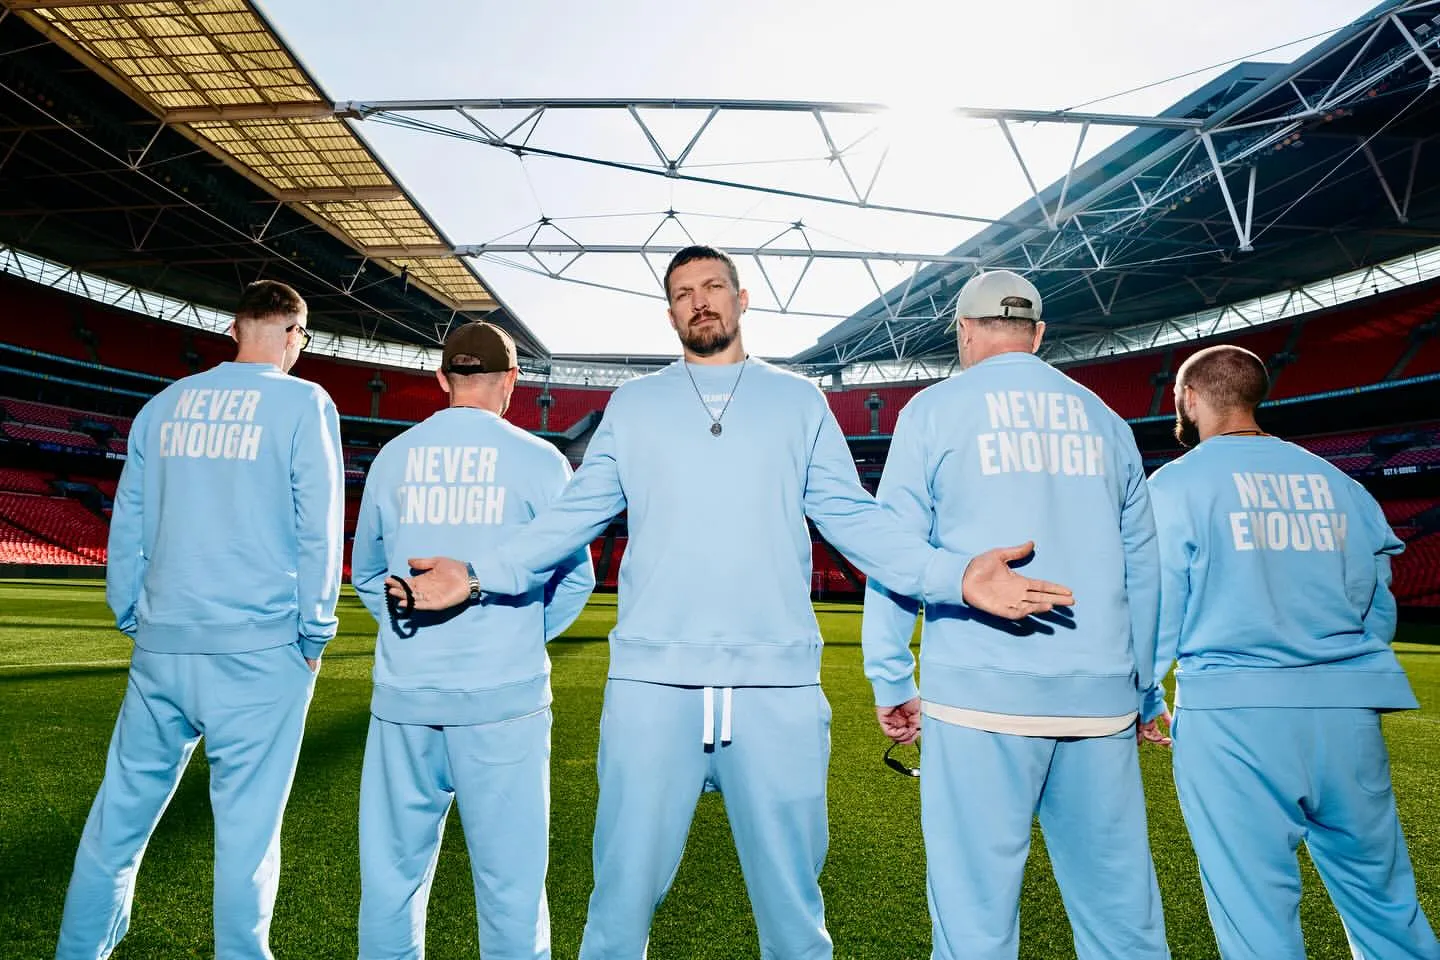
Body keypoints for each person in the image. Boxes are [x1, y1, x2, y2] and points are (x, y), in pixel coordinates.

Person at [388, 246, 1074, 960]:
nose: (700, 299)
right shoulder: (636, 404)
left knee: (795, 915)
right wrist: (474, 573)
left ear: (742, 299)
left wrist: (954, 575)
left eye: (713, 285)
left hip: (775, 690)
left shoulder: (799, 402)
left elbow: (856, 522)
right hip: (653, 689)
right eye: (683, 291)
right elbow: (568, 521)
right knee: (617, 908)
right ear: (670, 312)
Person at [862, 270, 1169, 960]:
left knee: (975, 924)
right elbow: (1144, 569)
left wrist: (890, 677)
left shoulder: (932, 411)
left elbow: (895, 552)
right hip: (1099, 700)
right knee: (1123, 921)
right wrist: (1145, 689)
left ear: (965, 333)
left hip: (978, 697)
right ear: (1038, 335)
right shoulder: (1106, 419)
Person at [56, 280, 343, 960]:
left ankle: (78, 951)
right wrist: (315, 630)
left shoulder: (164, 405)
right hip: (259, 649)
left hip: (163, 644)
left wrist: (132, 612)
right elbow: (319, 528)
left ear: (236, 326)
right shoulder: (304, 401)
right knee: (246, 836)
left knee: (116, 822)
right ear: (292, 332)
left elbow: (128, 522)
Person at [1146, 344, 1436, 960]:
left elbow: (1155, 606)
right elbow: (1377, 605)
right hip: (1346, 712)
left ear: (1190, 399)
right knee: (1384, 901)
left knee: (1254, 908)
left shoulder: (1174, 485)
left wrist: (1143, 693)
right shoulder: (1342, 484)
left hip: (1234, 714)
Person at [350, 321, 594, 959]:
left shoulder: (395, 456)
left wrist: (413, 630)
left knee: (391, 883)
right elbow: (577, 579)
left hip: (405, 695)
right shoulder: (542, 461)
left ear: (442, 379)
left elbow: (370, 574)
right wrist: (513, 635)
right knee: (511, 886)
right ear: (511, 382)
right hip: (503, 702)